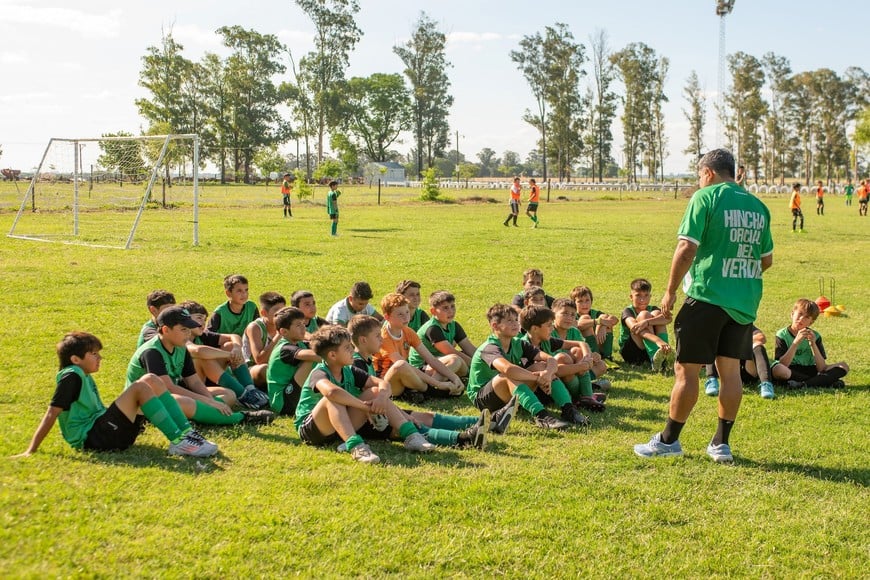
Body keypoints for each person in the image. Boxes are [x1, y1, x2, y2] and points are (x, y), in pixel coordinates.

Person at [634, 148, 774, 463]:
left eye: (699, 176)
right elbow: (766, 260)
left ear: (707, 173)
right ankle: (721, 444)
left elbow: (686, 248)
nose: (699, 181)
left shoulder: (706, 197)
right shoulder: (759, 207)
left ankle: (669, 440)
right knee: (730, 372)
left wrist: (669, 291)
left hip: (707, 298)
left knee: (687, 370)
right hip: (744, 304)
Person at [14, 332, 217, 458]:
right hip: (93, 439)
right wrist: (31, 449)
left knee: (151, 379)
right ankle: (179, 442)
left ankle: (185, 434)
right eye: (93, 354)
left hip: (106, 432)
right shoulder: (71, 377)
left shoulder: (81, 374)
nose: (99, 357)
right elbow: (52, 413)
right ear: (75, 359)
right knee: (140, 387)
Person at [293, 325, 436, 464]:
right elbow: (332, 392)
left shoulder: (348, 370)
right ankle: (356, 447)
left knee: (375, 391)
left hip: (339, 428)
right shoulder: (319, 372)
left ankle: (411, 436)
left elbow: (383, 384)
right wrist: (366, 408)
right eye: (347, 348)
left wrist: (380, 398)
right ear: (332, 355)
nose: (352, 350)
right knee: (331, 399)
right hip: (313, 430)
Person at [349, 314, 492, 448]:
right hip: (366, 420)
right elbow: (368, 400)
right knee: (414, 425)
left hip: (378, 411)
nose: (381, 339)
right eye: (377, 336)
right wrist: (403, 416)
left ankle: (488, 422)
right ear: (363, 340)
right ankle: (464, 439)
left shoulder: (366, 360)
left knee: (425, 416)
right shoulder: (357, 364)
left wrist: (402, 413)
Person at [127, 306, 274, 426]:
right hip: (145, 403)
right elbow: (167, 388)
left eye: (189, 329)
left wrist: (208, 398)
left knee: (229, 395)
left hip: (171, 396)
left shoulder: (180, 347)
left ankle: (201, 415)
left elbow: (194, 381)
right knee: (183, 402)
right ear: (165, 330)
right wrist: (208, 401)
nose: (188, 333)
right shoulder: (152, 352)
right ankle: (241, 418)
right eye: (183, 329)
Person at [466, 303, 572, 431]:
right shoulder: (489, 347)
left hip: (507, 390)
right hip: (483, 398)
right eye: (509, 321)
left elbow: (550, 359)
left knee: (541, 366)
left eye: (516, 320)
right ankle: (542, 417)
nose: (515, 324)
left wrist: (547, 374)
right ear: (495, 326)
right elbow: (508, 369)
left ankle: (569, 410)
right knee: (508, 375)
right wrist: (537, 379)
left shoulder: (518, 343)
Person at [181, 300, 270, 410]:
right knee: (204, 358)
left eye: (204, 319)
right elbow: (198, 351)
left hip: (209, 380)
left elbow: (234, 336)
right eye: (199, 318)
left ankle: (250, 389)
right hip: (193, 386)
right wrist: (228, 355)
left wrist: (236, 349)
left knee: (230, 345)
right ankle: (243, 395)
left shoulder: (203, 335)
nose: (203, 323)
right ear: (185, 319)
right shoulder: (182, 337)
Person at [372, 293, 464, 399]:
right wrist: (438, 384)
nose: (406, 317)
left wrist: (454, 377)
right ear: (387, 317)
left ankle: (421, 390)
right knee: (401, 365)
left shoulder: (408, 332)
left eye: (407, 312)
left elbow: (431, 359)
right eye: (400, 314)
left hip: (408, 375)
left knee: (454, 360)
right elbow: (401, 364)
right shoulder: (384, 337)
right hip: (388, 383)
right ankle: (433, 391)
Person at [519, 305, 593, 423]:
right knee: (544, 366)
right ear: (534, 329)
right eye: (549, 325)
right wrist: (582, 366)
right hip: (535, 393)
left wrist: (587, 357)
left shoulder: (546, 341)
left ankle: (585, 397)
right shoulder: (522, 346)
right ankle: (579, 399)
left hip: (550, 388)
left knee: (574, 353)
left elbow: (580, 343)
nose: (552, 329)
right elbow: (554, 371)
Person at [770, 299, 849, 389]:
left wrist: (813, 344)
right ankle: (823, 381)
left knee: (844, 366)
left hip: (811, 369)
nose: (801, 319)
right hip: (791, 370)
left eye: (806, 317)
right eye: (800, 314)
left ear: (811, 322)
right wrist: (795, 342)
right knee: (778, 369)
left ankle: (804, 384)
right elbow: (783, 364)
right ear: (792, 314)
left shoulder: (815, 335)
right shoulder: (782, 334)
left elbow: (821, 368)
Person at [407, 290, 478, 380]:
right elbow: (450, 352)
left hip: (440, 361)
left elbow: (470, 349)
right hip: (421, 368)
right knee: (455, 360)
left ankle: (455, 381)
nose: (451, 311)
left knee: (465, 360)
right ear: (433, 311)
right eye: (445, 308)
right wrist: (478, 366)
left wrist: (488, 362)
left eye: (452, 306)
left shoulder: (454, 325)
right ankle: (432, 388)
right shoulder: (432, 328)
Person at [266, 307, 321, 415]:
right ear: (284, 331)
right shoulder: (284, 349)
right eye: (298, 325)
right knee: (312, 359)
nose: (303, 328)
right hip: (283, 403)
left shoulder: (299, 343)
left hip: (292, 395)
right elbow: (317, 355)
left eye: (303, 324)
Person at [704, 326, 775, 400]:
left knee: (758, 346)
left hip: (747, 370)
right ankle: (711, 380)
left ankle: (766, 384)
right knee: (714, 342)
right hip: (727, 370)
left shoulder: (744, 324)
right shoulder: (721, 326)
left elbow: (761, 338)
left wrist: (740, 343)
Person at [619, 278, 674, 373]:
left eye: (646, 295)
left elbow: (668, 319)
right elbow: (634, 328)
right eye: (638, 295)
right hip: (632, 352)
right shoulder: (627, 311)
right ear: (631, 297)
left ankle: (664, 355)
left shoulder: (652, 308)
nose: (642, 299)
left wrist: (647, 322)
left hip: (648, 347)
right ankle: (655, 356)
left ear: (650, 296)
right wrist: (658, 340)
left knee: (657, 314)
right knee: (644, 315)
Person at [242, 291, 287, 388]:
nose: (281, 315)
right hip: (252, 369)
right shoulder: (255, 327)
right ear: (264, 313)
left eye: (283, 311)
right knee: (265, 368)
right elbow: (259, 360)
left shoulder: (285, 326)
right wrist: (278, 335)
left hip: (277, 366)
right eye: (277, 311)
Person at [570, 285, 617, 362]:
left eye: (587, 300)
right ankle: (595, 357)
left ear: (591, 301)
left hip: (598, 345)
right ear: (574, 303)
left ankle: (607, 358)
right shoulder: (571, 315)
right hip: (581, 348)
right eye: (580, 301)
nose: (584, 304)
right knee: (586, 319)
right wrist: (598, 321)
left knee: (606, 321)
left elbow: (614, 320)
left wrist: (602, 326)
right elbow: (579, 325)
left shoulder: (595, 313)